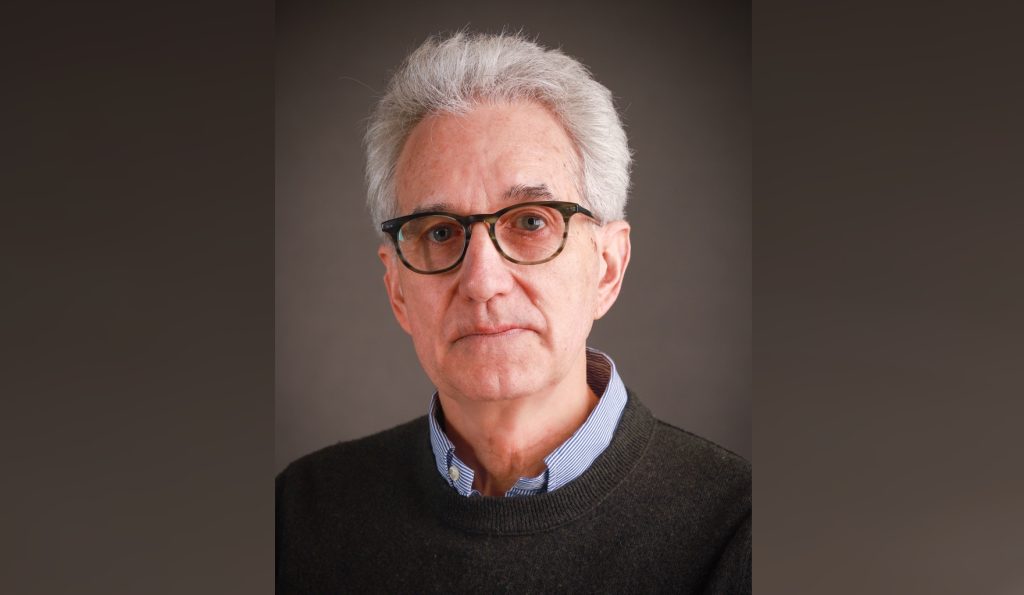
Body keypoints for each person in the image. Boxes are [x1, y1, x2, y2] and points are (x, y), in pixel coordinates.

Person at [276, 31, 750, 593]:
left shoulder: (737, 532)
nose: (482, 282)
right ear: (397, 289)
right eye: (440, 232)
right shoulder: (301, 516)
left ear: (607, 267)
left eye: (530, 222)